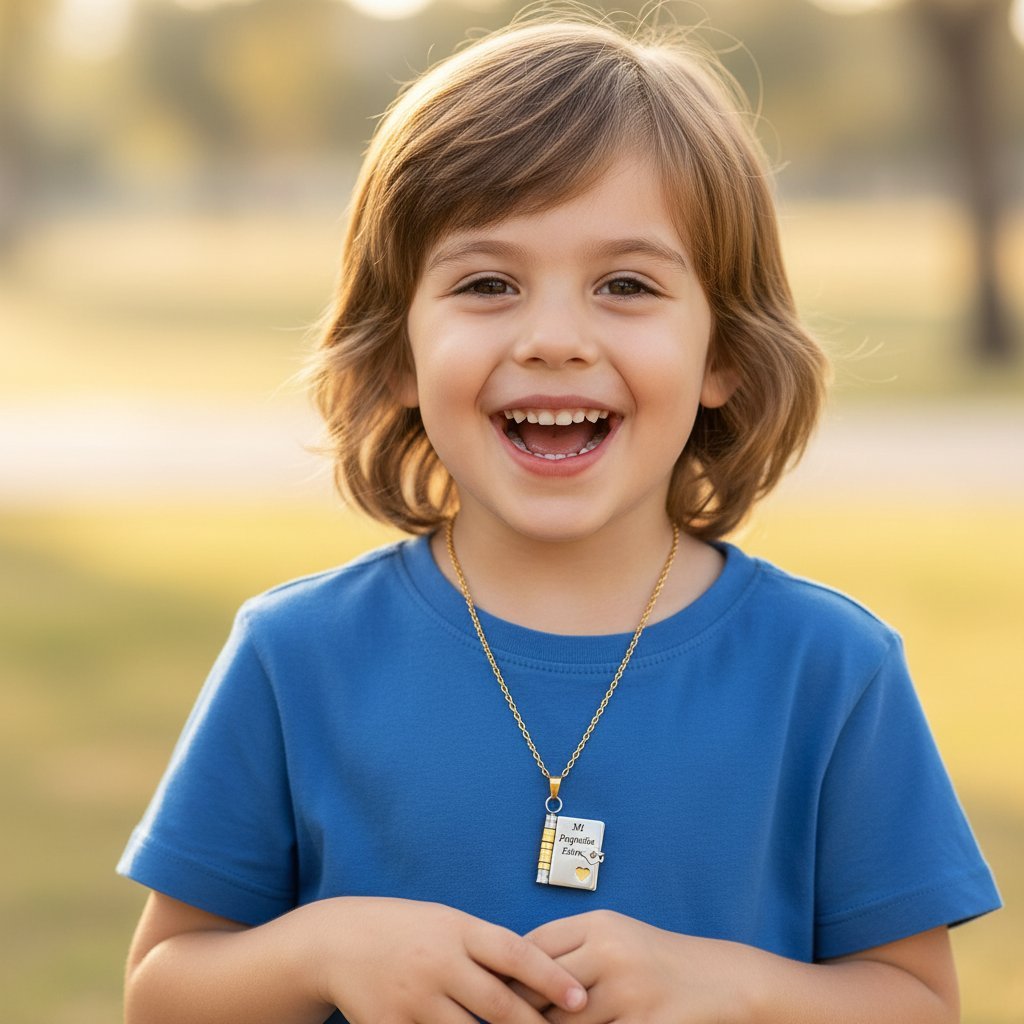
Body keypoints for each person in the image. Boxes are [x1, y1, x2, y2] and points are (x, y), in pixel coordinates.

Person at [118, 13, 1001, 1024]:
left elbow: (918, 1003)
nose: (552, 339)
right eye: (487, 283)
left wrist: (737, 989)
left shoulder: (830, 669)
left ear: (724, 353)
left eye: (625, 285)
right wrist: (326, 948)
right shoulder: (295, 656)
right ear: (397, 352)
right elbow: (163, 990)